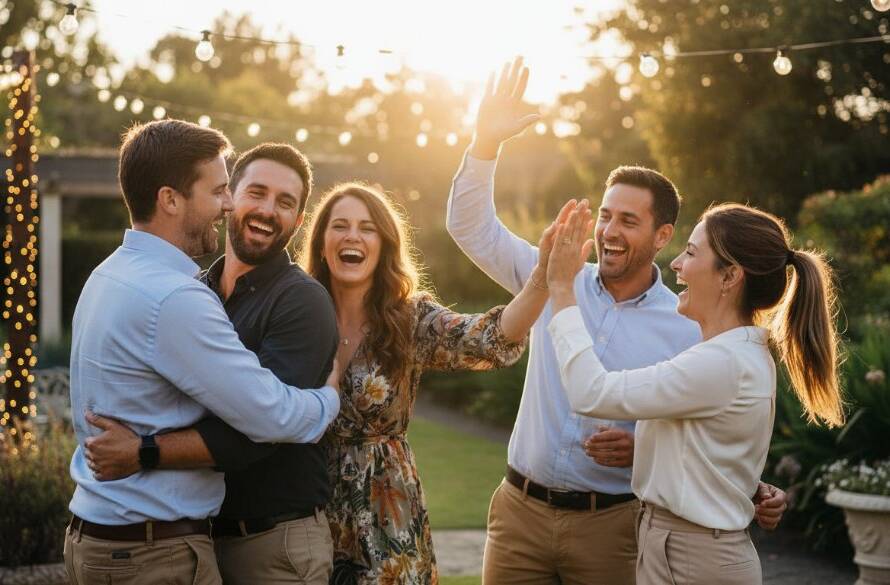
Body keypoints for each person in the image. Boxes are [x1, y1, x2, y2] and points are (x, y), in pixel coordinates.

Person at [446, 58, 788, 585]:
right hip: (520, 513)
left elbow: (716, 421)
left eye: (628, 220)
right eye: (606, 215)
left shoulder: (688, 324)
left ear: (663, 236)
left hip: (615, 526)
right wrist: (484, 144)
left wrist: (647, 451)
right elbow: (469, 226)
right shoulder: (553, 277)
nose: (609, 230)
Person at [65, 122, 340, 585]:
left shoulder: (106, 275)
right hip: (150, 553)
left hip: (119, 542)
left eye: (286, 201)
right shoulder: (177, 296)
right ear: (170, 199)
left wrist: (145, 451)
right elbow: (271, 416)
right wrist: (329, 397)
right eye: (222, 191)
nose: (228, 204)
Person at [545, 202, 843, 585]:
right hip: (680, 548)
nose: (676, 265)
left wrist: (560, 289)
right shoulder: (729, 356)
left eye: (690, 252)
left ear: (730, 276)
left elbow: (591, 392)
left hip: (694, 557)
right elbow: (706, 448)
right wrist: (745, 488)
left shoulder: (722, 363)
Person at [299, 182, 551, 584]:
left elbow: (490, 338)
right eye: (340, 225)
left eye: (367, 228)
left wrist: (541, 280)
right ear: (322, 240)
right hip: (306, 509)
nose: (352, 236)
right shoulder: (297, 315)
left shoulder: (409, 319)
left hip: (387, 513)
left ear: (383, 244)